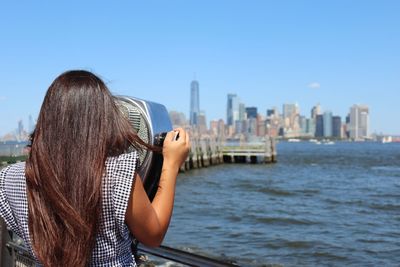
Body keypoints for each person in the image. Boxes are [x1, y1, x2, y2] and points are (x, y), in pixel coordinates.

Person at [0, 70, 190, 267]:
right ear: (101, 120)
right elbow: (153, 235)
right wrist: (171, 164)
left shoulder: (9, 177)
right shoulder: (118, 174)